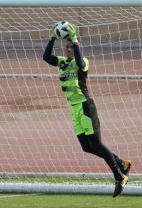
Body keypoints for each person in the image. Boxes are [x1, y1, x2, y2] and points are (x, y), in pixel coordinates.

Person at [43, 22, 131, 197]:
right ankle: (121, 163)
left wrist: (74, 40)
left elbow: (79, 61)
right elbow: (46, 57)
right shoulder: (62, 63)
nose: (68, 49)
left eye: (71, 47)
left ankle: (119, 176)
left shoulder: (82, 62)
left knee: (96, 143)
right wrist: (53, 36)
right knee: (86, 147)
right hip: (74, 109)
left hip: (85, 106)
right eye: (66, 47)